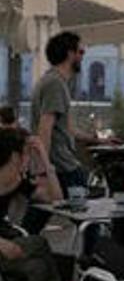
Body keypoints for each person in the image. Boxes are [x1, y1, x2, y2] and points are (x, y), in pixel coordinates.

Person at [0, 128, 75, 281]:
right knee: (41, 243)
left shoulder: (17, 182)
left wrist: (45, 159)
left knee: (39, 267)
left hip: (11, 245)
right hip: (2, 247)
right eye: (27, 153)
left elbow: (57, 199)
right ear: (14, 157)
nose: (28, 158)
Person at [31, 31, 118, 199]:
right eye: (81, 52)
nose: (83, 56)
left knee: (36, 218)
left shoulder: (55, 82)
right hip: (62, 166)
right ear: (70, 54)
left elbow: (68, 129)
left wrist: (99, 140)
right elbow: (45, 129)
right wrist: (43, 172)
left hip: (59, 166)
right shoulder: (55, 84)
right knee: (89, 218)